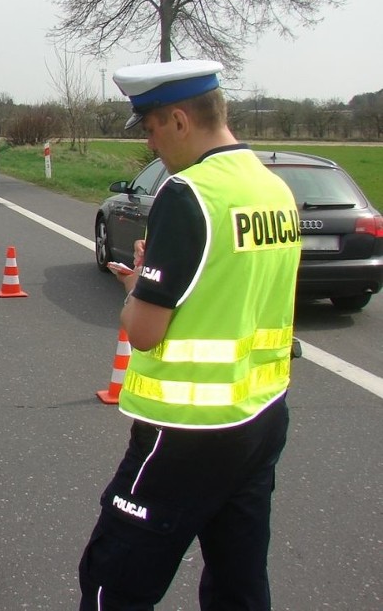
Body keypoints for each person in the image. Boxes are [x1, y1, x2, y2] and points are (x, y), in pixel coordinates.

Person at [78, 60, 302, 611]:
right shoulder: (273, 190)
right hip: (260, 416)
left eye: (151, 128)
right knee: (238, 583)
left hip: (186, 431)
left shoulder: (188, 194)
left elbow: (148, 333)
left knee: (113, 580)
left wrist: (134, 290)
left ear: (180, 120)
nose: (151, 145)